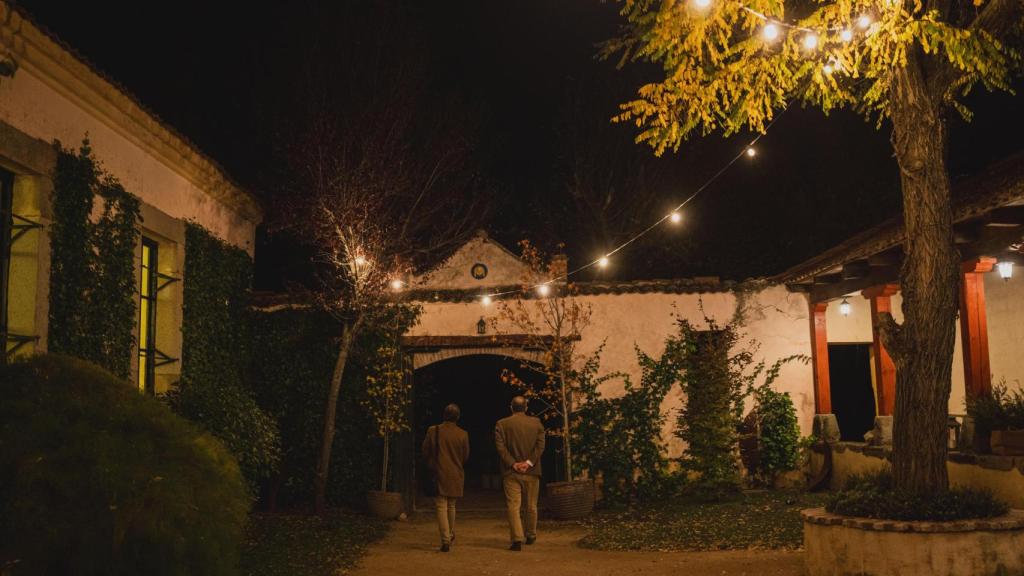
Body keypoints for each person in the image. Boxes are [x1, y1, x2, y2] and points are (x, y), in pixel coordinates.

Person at [494, 396, 545, 551]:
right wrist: (528, 462)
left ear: (511, 407)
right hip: (532, 471)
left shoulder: (501, 424)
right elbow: (540, 445)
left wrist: (513, 463)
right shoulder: (536, 423)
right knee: (531, 505)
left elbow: (500, 448)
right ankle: (530, 535)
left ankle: (516, 539)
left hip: (511, 472)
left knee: (513, 506)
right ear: (526, 407)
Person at [422, 403, 470, 552]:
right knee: (452, 505)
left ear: (444, 415)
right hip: (456, 473)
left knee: (441, 506)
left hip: (438, 472)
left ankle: (445, 540)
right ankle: (450, 533)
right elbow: (465, 456)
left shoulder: (433, 430)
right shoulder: (463, 434)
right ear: (458, 417)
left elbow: (425, 451)